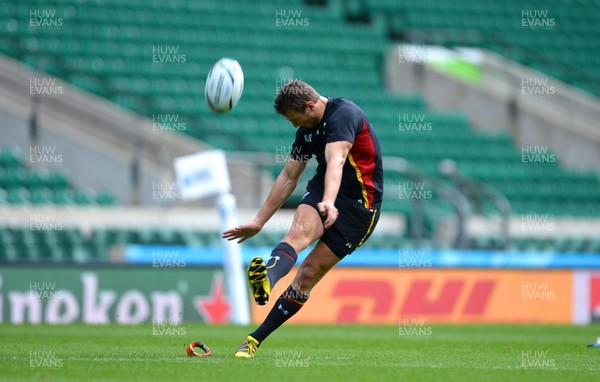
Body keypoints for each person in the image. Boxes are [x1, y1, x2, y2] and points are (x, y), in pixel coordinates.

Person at [222, 80, 383, 358]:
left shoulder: (344, 115)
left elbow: (337, 160)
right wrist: (259, 222)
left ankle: (254, 339)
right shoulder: (306, 132)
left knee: (306, 275)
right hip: (323, 192)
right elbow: (288, 177)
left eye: (296, 120)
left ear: (310, 106)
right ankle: (267, 281)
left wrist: (329, 202)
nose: (295, 126)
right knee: (296, 235)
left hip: (360, 208)